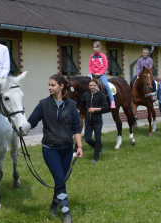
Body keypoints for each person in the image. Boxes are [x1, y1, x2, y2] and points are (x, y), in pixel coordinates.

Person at [27, 74, 83, 223]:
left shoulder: (71, 105)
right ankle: (67, 213)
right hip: (49, 148)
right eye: (49, 85)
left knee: (61, 181)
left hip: (67, 149)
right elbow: (32, 121)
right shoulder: (43, 104)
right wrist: (24, 128)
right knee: (59, 178)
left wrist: (79, 146)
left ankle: (53, 205)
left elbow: (76, 128)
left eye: (52, 85)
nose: (49, 87)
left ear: (61, 86)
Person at [77, 79, 108, 163]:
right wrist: (77, 111)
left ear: (97, 85)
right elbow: (82, 104)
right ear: (88, 86)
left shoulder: (101, 95)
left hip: (97, 121)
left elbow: (105, 107)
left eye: (94, 85)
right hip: (88, 121)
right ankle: (98, 147)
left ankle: (95, 157)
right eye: (90, 85)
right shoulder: (86, 94)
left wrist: (95, 109)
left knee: (97, 139)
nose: (92, 87)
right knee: (87, 139)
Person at [89, 41, 116, 108]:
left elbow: (105, 66)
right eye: (94, 47)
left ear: (100, 47)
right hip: (92, 74)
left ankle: (112, 101)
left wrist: (100, 73)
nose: (95, 48)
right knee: (87, 85)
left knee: (106, 85)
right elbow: (90, 66)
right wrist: (91, 72)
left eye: (96, 47)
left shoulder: (103, 56)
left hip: (101, 74)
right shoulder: (91, 56)